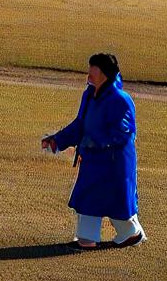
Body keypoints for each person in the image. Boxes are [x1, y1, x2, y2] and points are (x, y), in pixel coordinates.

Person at [41, 53, 145, 250]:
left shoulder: (120, 100)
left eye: (93, 68)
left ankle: (130, 233)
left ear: (104, 73)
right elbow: (80, 124)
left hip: (115, 163)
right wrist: (58, 140)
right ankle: (87, 239)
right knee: (87, 197)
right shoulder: (89, 95)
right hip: (93, 160)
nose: (89, 72)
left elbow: (123, 132)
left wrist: (95, 142)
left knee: (116, 201)